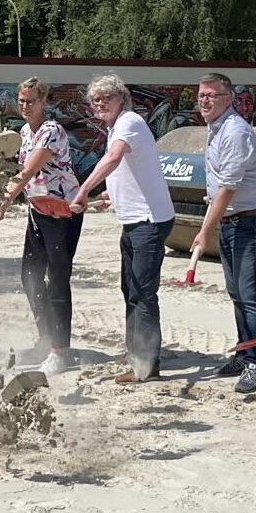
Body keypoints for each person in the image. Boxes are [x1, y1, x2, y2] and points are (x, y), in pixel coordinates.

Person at [70, 73, 175, 384]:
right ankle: (136, 353)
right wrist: (109, 194)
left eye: (107, 97)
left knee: (143, 292)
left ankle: (146, 364)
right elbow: (129, 168)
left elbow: (114, 158)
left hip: (148, 222)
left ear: (122, 99)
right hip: (134, 220)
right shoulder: (118, 126)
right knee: (130, 289)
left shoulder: (129, 122)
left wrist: (83, 190)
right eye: (95, 100)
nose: (100, 103)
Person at [190, 73, 256, 393]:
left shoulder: (235, 132)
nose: (204, 101)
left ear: (229, 99)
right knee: (236, 292)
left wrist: (203, 230)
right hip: (232, 221)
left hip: (250, 222)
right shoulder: (215, 130)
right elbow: (220, 186)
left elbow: (228, 187)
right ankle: (244, 352)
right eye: (200, 96)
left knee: (249, 293)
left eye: (211, 95)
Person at [3, 77, 84, 376]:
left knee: (57, 279)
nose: (25, 106)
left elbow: (27, 170)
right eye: (21, 100)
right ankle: (47, 337)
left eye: (31, 101)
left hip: (62, 212)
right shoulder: (23, 132)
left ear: (43, 102)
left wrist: (5, 199)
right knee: (30, 275)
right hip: (38, 210)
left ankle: (60, 351)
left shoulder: (52, 131)